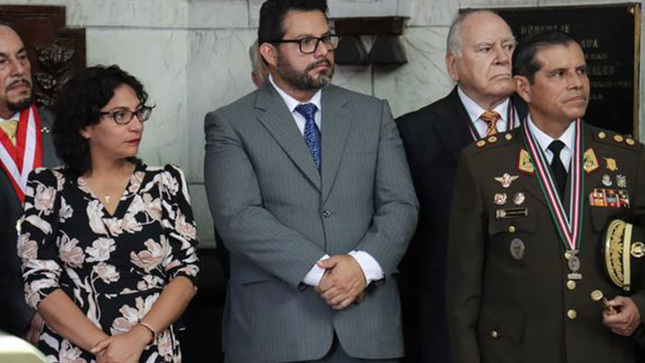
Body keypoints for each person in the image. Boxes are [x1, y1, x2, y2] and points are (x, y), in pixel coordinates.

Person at [204, 0, 418, 361]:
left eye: (325, 38)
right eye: (305, 42)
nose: (321, 51)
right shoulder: (230, 123)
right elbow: (238, 216)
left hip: (368, 327)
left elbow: (400, 204)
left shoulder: (373, 113)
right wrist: (327, 276)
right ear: (269, 52)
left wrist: (361, 268)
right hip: (275, 331)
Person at [447, 30, 645, 363]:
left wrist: (641, 306)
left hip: (603, 349)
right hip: (518, 351)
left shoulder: (628, 158)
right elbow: (463, 288)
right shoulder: (484, 163)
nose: (577, 83)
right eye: (559, 74)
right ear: (523, 87)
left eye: (581, 71)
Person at [18, 65, 199, 362]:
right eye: (120, 116)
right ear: (85, 126)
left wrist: (138, 337)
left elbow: (186, 272)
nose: (136, 125)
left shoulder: (166, 181)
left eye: (139, 112)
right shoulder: (48, 186)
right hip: (73, 351)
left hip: (152, 349)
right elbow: (39, 281)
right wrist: (105, 349)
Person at [395, 10, 526, 362]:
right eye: (486, 48)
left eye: (509, 46)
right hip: (446, 323)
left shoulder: (547, 126)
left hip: (532, 326)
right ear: (453, 65)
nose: (503, 58)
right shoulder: (412, 133)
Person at [0, 22, 58, 343]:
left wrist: (53, 311)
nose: (19, 69)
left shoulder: (69, 132)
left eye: (22, 57)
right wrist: (24, 313)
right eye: (2, 62)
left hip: (69, 321)